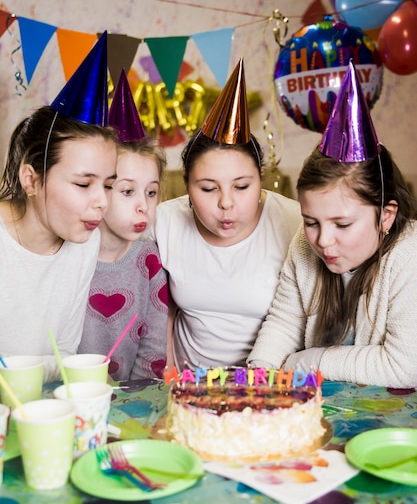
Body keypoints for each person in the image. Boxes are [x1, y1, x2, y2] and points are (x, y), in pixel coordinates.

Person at [248, 60, 417, 388]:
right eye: (311, 221)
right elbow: (284, 322)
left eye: (342, 224)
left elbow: (406, 364)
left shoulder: (410, 257)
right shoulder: (303, 243)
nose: (323, 240)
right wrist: (258, 377)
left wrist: (308, 361)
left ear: (386, 215)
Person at [155, 59, 301, 370]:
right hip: (187, 384)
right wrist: (166, 367)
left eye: (242, 186)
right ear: (186, 187)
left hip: (270, 381)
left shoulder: (295, 223)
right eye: (208, 189)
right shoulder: (164, 222)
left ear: (260, 179)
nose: (226, 203)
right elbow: (159, 305)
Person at [0, 32, 118, 382]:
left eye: (109, 184)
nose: (102, 201)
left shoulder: (85, 240)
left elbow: (63, 352)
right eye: (84, 184)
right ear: (31, 179)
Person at [79, 70, 168, 381]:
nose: (144, 204)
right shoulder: (72, 256)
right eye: (127, 191)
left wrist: (136, 400)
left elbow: (154, 350)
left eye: (152, 192)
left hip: (133, 403)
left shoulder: (150, 261)